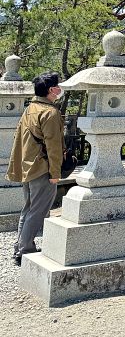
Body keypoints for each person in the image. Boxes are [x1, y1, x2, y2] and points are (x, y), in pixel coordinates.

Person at [7, 71, 64, 266]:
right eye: (57, 85)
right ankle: (25, 251)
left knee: (29, 208)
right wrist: (55, 173)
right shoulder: (50, 112)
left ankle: (20, 246)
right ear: (51, 90)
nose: (60, 88)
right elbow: (53, 146)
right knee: (38, 211)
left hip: (28, 165)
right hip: (42, 167)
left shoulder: (30, 108)